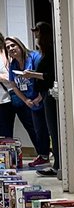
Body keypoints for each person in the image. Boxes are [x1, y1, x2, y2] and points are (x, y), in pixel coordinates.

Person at [5, 35, 51, 166]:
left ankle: (56, 158)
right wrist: (25, 100)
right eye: (8, 47)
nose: (11, 49)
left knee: (50, 129)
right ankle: (43, 156)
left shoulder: (34, 57)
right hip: (31, 102)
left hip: (43, 97)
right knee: (38, 130)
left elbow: (46, 78)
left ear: (19, 45)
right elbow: (13, 84)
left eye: (13, 45)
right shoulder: (13, 64)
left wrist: (39, 97)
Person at [29, 22, 61, 178]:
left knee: (54, 131)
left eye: (38, 33)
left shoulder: (50, 54)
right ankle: (57, 164)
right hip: (44, 94)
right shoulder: (42, 53)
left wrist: (32, 74)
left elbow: (50, 77)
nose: (35, 36)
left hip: (50, 94)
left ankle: (58, 166)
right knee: (50, 130)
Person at [0, 30, 19, 140]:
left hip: (8, 98)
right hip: (3, 97)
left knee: (6, 132)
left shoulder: (6, 53)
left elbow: (9, 75)